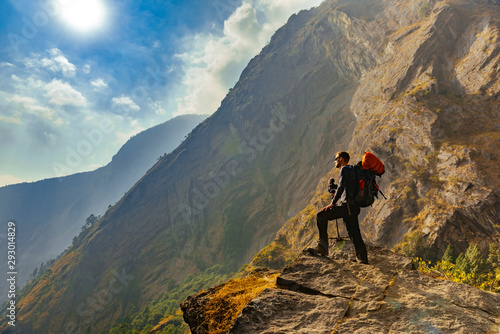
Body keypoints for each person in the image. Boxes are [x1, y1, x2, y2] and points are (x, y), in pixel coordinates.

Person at [312, 151, 368, 264]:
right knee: (354, 234)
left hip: (346, 207)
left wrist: (332, 203)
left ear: (341, 159)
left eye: (336, 159)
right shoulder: (353, 170)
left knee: (321, 216)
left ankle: (322, 247)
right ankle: (363, 259)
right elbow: (347, 188)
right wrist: (336, 190)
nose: (335, 161)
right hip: (353, 208)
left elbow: (342, 186)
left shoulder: (344, 169)